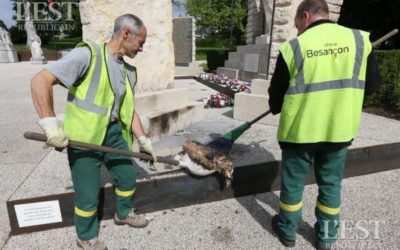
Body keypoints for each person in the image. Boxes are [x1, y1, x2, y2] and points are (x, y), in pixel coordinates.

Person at [31, 14, 158, 250]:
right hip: (83, 138)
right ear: (126, 34)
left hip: (113, 135)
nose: (142, 48)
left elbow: (128, 111)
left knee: (128, 177)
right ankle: (86, 236)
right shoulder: (88, 55)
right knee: (88, 194)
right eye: (140, 42)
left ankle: (123, 213)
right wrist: (49, 124)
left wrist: (143, 140)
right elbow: (41, 80)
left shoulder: (128, 71)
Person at [267, 1, 381, 249]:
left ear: (305, 16)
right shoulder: (360, 41)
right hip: (338, 131)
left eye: (298, 25)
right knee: (331, 184)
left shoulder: (294, 47)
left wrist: (276, 105)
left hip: (299, 133)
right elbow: (371, 87)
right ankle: (326, 238)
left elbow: (276, 96)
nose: (298, 30)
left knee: (293, 184)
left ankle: (287, 232)